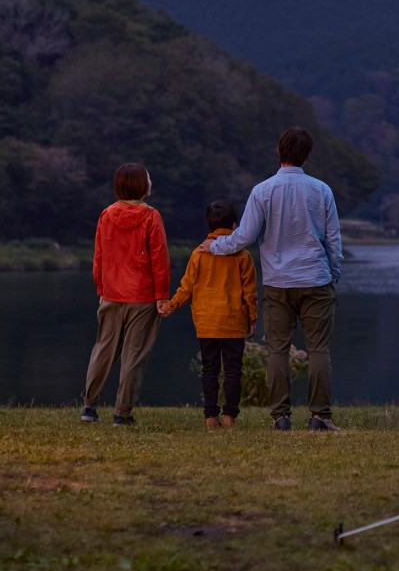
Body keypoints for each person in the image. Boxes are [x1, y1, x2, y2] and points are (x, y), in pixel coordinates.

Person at [201, 126, 343, 431]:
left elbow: (244, 237)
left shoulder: (262, 191)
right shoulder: (322, 190)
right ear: (307, 155)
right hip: (316, 278)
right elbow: (333, 240)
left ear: (279, 152)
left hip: (278, 281)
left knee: (277, 349)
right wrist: (334, 273)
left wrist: (214, 246)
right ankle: (320, 416)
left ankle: (280, 416)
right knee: (319, 349)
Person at [81, 163, 170, 426]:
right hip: (142, 296)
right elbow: (160, 260)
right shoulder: (151, 216)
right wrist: (162, 295)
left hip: (111, 293)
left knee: (103, 350)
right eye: (148, 178)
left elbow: (99, 256)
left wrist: (102, 287)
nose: (151, 181)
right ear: (141, 185)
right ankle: (122, 413)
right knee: (134, 356)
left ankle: (89, 406)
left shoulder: (106, 214)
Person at [158, 200, 257, 429]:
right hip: (232, 321)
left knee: (210, 369)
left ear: (209, 225)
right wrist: (252, 319)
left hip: (206, 321)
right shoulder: (243, 256)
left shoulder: (198, 254)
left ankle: (211, 417)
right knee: (233, 370)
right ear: (235, 225)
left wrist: (171, 305)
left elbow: (187, 287)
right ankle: (230, 416)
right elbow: (249, 292)